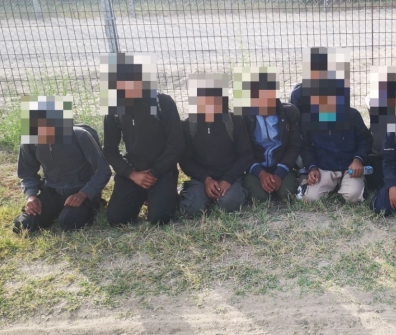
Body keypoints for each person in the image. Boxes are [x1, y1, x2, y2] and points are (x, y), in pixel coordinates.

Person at [15, 102, 111, 233]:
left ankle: (95, 204)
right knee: (22, 225)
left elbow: (103, 171)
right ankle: (55, 209)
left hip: (81, 189)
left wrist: (83, 194)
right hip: (52, 191)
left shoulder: (80, 136)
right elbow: (26, 174)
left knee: (69, 223)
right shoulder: (29, 141)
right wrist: (31, 196)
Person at [103, 76, 184, 226]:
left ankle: (170, 194)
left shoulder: (162, 102)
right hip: (133, 173)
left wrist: (155, 172)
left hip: (162, 171)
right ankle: (143, 195)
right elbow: (109, 150)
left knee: (160, 218)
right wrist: (131, 174)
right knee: (117, 219)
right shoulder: (114, 109)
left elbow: (176, 143)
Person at [179, 87, 254, 216]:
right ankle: (195, 193)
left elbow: (246, 155)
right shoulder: (188, 125)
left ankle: (237, 192)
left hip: (231, 177)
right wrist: (206, 180)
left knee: (228, 203)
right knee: (193, 209)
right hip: (202, 179)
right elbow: (186, 161)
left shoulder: (234, 121)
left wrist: (228, 179)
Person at [242, 74, 302, 200]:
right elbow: (243, 150)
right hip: (256, 166)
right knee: (259, 196)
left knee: (286, 193)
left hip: (282, 164)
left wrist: (280, 172)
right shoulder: (243, 117)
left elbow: (294, 145)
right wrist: (260, 173)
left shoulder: (290, 112)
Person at [299, 106, 372, 203]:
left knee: (353, 196)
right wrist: (312, 168)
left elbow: (366, 140)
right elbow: (307, 148)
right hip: (325, 168)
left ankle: (357, 184)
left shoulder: (352, 115)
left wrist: (358, 159)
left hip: (350, 168)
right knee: (311, 198)